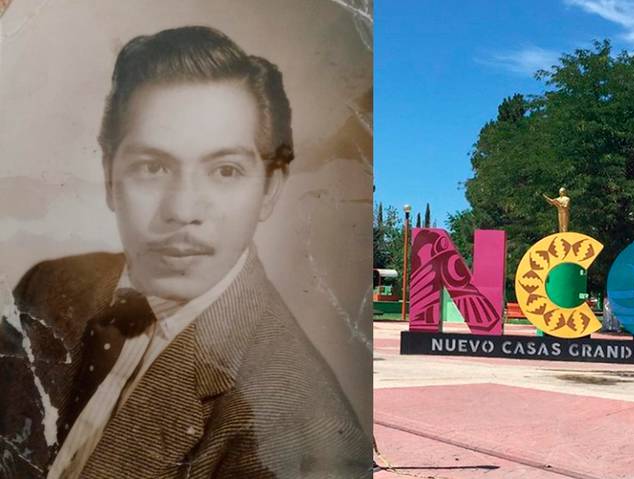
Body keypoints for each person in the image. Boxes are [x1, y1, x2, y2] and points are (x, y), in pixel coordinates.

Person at [0, 26, 369, 478]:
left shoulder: (309, 435)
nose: (182, 210)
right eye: (152, 167)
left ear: (270, 190)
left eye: (225, 170)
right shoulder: (47, 284)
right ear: (109, 175)